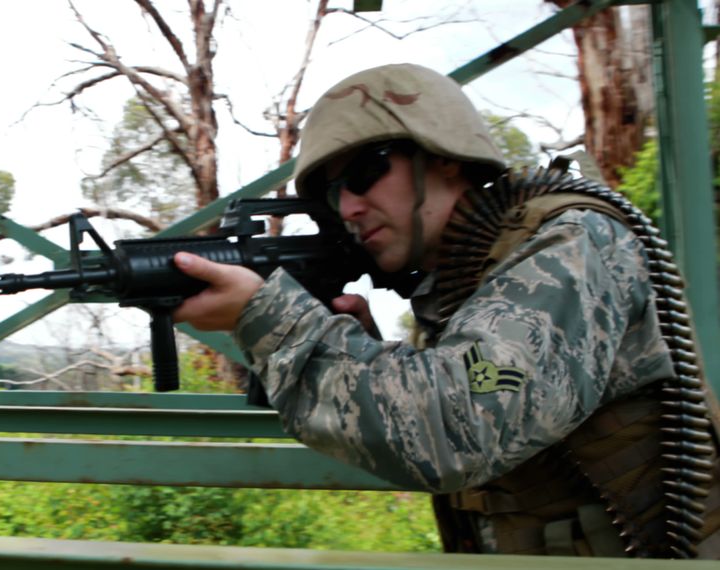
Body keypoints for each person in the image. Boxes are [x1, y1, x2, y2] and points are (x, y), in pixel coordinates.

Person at [171, 63, 720, 558]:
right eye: (331, 194)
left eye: (364, 173)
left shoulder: (568, 245)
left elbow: (456, 430)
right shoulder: (467, 281)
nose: (348, 208)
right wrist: (360, 357)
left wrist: (275, 320)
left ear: (445, 158)